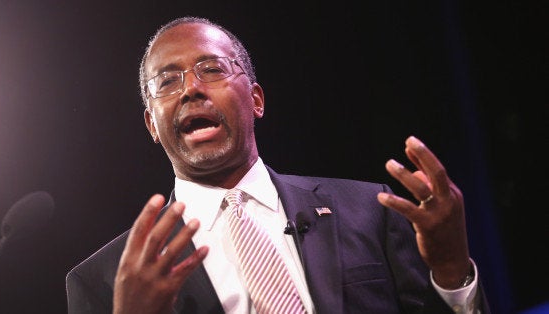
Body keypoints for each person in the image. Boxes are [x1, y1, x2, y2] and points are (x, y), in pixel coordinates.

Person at [65, 16, 490, 314]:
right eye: (167, 81)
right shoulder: (107, 279)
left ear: (256, 99)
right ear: (151, 125)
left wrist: (452, 270)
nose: (191, 88)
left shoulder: (368, 210)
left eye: (211, 68)